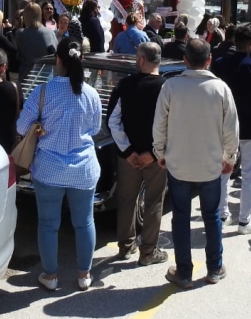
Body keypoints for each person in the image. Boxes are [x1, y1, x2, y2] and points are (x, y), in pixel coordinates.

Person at [152, 38, 239, 289]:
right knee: (211, 216)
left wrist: (160, 152)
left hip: (178, 163)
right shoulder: (221, 88)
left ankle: (184, 272)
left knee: (181, 217)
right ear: (209, 60)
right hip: (210, 164)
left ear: (185, 60)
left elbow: (159, 124)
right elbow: (231, 129)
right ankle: (214, 268)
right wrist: (230, 158)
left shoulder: (171, 86)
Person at [17, 39, 102, 292]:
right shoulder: (91, 94)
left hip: (48, 168)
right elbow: (95, 128)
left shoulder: (42, 92)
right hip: (84, 169)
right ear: (81, 60)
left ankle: (50, 275)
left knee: (48, 224)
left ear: (58, 60)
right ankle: (84, 275)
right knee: (84, 222)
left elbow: (21, 127)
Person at [107, 42, 169, 266]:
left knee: (127, 200)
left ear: (142, 60)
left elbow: (113, 121)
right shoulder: (167, 88)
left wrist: (128, 152)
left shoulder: (125, 85)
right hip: (157, 158)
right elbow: (172, 125)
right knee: (154, 202)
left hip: (129, 158)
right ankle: (148, 252)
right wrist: (153, 153)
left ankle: (126, 246)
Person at [212, 26, 251, 234]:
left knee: (223, 171)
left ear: (235, 42)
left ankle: (222, 214)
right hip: (249, 125)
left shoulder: (220, 63)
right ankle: (244, 220)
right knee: (248, 174)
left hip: (224, 124)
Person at [17, 1, 58, 82]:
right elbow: (55, 53)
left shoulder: (20, 33)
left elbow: (18, 55)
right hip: (45, 75)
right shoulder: (50, 32)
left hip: (27, 75)